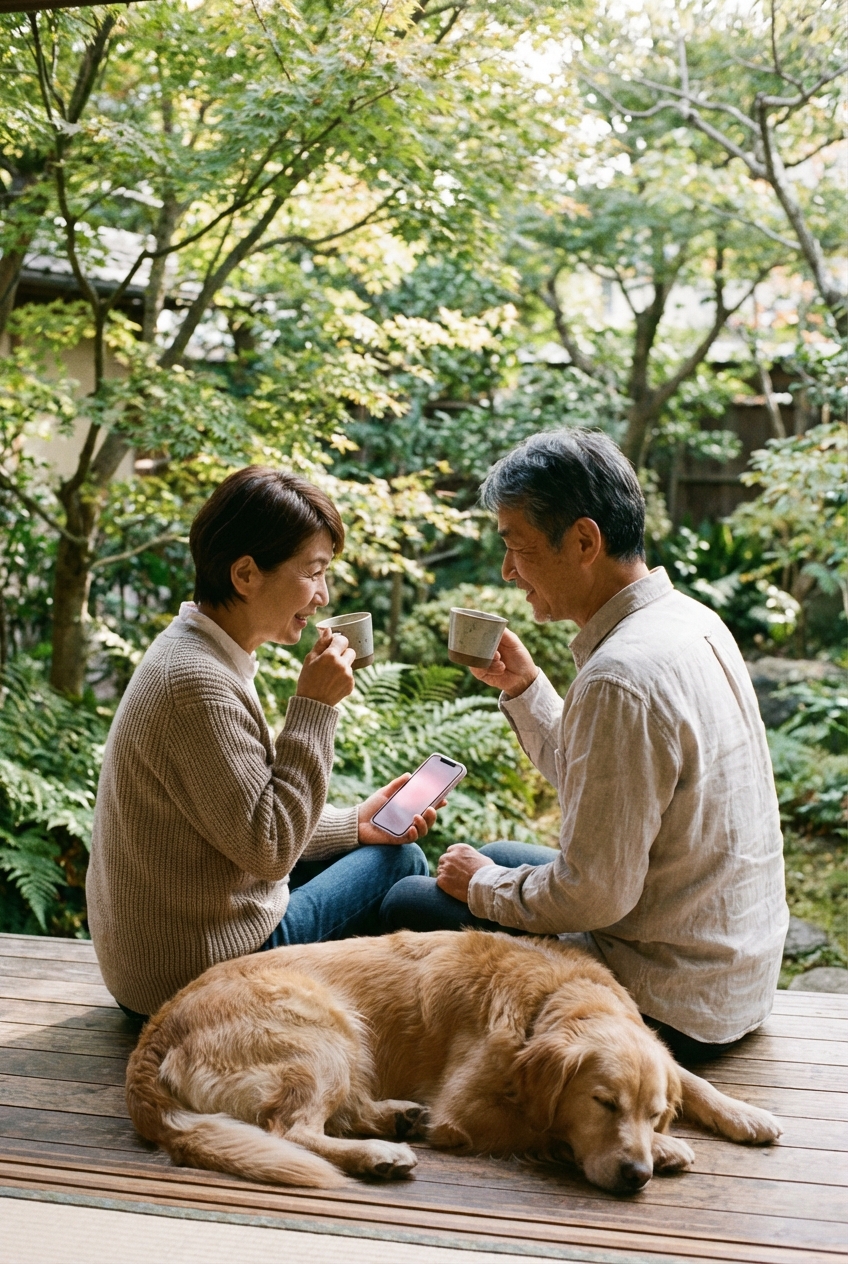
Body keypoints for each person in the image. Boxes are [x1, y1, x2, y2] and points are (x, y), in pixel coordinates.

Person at [382, 429, 789, 1062]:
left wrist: (487, 886)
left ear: (583, 541)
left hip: (666, 1004)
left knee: (409, 901)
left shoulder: (620, 675)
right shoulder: (690, 621)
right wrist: (525, 687)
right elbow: (603, 789)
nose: (507, 571)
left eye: (516, 547)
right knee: (484, 859)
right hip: (729, 973)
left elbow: (595, 896)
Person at [86, 467, 430, 1024]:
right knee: (400, 861)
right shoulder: (197, 685)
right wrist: (315, 710)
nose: (322, 597)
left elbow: (240, 815)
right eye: (313, 573)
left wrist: (354, 824)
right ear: (246, 573)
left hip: (163, 960)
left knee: (376, 844)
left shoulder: (198, 652)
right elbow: (269, 847)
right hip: (195, 980)